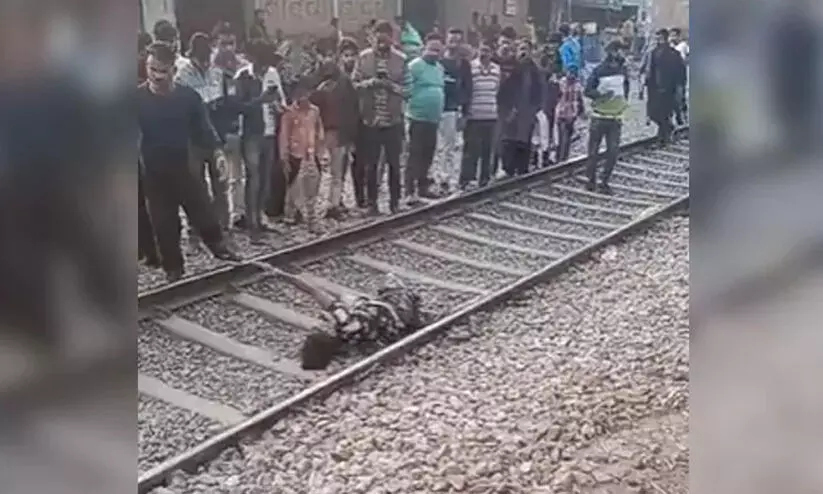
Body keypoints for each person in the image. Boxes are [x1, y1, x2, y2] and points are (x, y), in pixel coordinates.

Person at [138, 42, 240, 282]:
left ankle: (219, 247)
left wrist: (217, 153)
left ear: (173, 70)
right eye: (152, 69)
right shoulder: (136, 99)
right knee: (164, 224)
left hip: (185, 166)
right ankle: (173, 269)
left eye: (162, 70)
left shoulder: (188, 98)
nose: (156, 76)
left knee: (203, 210)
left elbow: (204, 129)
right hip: (153, 172)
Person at [353, 20, 407, 216]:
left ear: (392, 38)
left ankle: (395, 202)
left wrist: (390, 86)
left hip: (393, 120)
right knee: (371, 165)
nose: (382, 40)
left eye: (386, 36)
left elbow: (408, 90)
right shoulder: (363, 58)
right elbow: (354, 85)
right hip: (370, 119)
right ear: (373, 36)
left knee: (394, 164)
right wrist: (372, 83)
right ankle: (372, 204)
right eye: (379, 36)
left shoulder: (401, 59)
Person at [234, 40, 286, 241]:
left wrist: (278, 106)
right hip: (251, 134)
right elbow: (238, 107)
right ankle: (252, 221)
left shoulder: (272, 73)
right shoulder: (243, 77)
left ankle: (261, 216)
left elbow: (281, 100)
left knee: (265, 178)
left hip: (269, 131)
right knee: (253, 177)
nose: (264, 68)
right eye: (261, 63)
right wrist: (260, 100)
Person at [310, 55, 360, 219]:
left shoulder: (326, 86)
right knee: (334, 172)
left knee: (333, 172)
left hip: (333, 131)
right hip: (332, 131)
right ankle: (333, 203)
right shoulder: (342, 84)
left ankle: (331, 203)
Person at [279, 77, 327, 231]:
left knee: (312, 187)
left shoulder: (315, 111)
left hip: (312, 154)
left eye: (306, 93)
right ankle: (290, 215)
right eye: (300, 93)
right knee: (293, 188)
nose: (303, 97)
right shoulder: (289, 113)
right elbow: (284, 135)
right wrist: (283, 155)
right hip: (295, 153)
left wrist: (321, 151)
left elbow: (319, 131)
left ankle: (311, 218)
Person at [583, 40, 630, 194]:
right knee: (594, 152)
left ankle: (603, 181)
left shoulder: (623, 71)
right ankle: (591, 180)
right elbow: (588, 90)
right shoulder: (599, 71)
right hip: (599, 116)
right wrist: (602, 94)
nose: (623, 54)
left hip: (615, 117)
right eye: (620, 50)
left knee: (613, 152)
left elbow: (625, 90)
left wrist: (623, 105)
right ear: (613, 52)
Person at [405, 33, 446, 204]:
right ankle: (409, 191)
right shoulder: (415, 66)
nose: (434, 53)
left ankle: (423, 187)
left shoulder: (439, 68)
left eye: (437, 50)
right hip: (417, 118)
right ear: (424, 48)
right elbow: (406, 89)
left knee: (428, 154)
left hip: (433, 119)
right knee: (415, 154)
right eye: (431, 49)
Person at [433, 28, 472, 195]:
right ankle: (433, 177)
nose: (453, 43)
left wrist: (465, 111)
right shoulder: (438, 61)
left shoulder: (464, 65)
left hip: (451, 109)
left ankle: (445, 178)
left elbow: (468, 89)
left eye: (457, 40)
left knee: (449, 146)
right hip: (434, 108)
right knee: (434, 146)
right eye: (451, 40)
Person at [498, 39, 545, 177]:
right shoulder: (511, 67)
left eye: (526, 49)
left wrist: (536, 108)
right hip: (511, 109)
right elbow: (504, 89)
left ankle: (522, 168)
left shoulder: (535, 70)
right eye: (521, 49)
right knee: (508, 139)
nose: (523, 52)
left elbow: (539, 90)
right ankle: (508, 168)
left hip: (527, 109)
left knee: (525, 140)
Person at [460, 40, 501, 189]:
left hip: (491, 115)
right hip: (473, 116)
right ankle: (466, 179)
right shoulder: (471, 68)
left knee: (487, 150)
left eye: (488, 51)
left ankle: (484, 179)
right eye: (482, 50)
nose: (484, 53)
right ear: (478, 51)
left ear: (492, 53)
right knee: (471, 150)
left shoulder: (497, 69)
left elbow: (497, 90)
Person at [645, 29, 686, 144]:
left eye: (659, 38)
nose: (657, 40)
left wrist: (679, 87)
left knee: (664, 113)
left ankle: (663, 137)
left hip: (668, 88)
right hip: (657, 87)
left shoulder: (674, 54)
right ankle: (667, 130)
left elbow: (680, 72)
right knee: (655, 113)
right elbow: (651, 70)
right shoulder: (654, 52)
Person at [555, 66, 586, 163]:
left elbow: (579, 100)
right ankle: (561, 158)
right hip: (564, 114)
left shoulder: (572, 84)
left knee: (565, 138)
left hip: (569, 115)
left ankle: (562, 159)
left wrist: (581, 112)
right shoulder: (564, 83)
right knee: (563, 138)